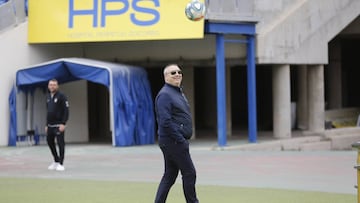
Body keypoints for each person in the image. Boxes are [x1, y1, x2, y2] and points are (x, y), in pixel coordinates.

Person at [154, 64, 199, 203]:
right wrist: (180, 139)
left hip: (174, 141)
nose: (177, 74)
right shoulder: (165, 95)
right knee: (189, 173)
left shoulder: (177, 92)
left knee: (169, 176)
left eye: (179, 72)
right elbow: (165, 122)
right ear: (166, 76)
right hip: (173, 141)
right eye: (173, 72)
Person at [45, 79, 69, 171]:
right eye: (51, 85)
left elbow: (66, 111)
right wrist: (46, 124)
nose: (52, 87)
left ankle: (61, 164)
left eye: (54, 85)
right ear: (48, 86)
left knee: (60, 143)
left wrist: (63, 123)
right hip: (50, 125)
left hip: (59, 125)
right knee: (50, 142)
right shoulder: (48, 97)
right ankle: (56, 160)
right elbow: (48, 111)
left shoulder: (62, 96)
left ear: (57, 86)